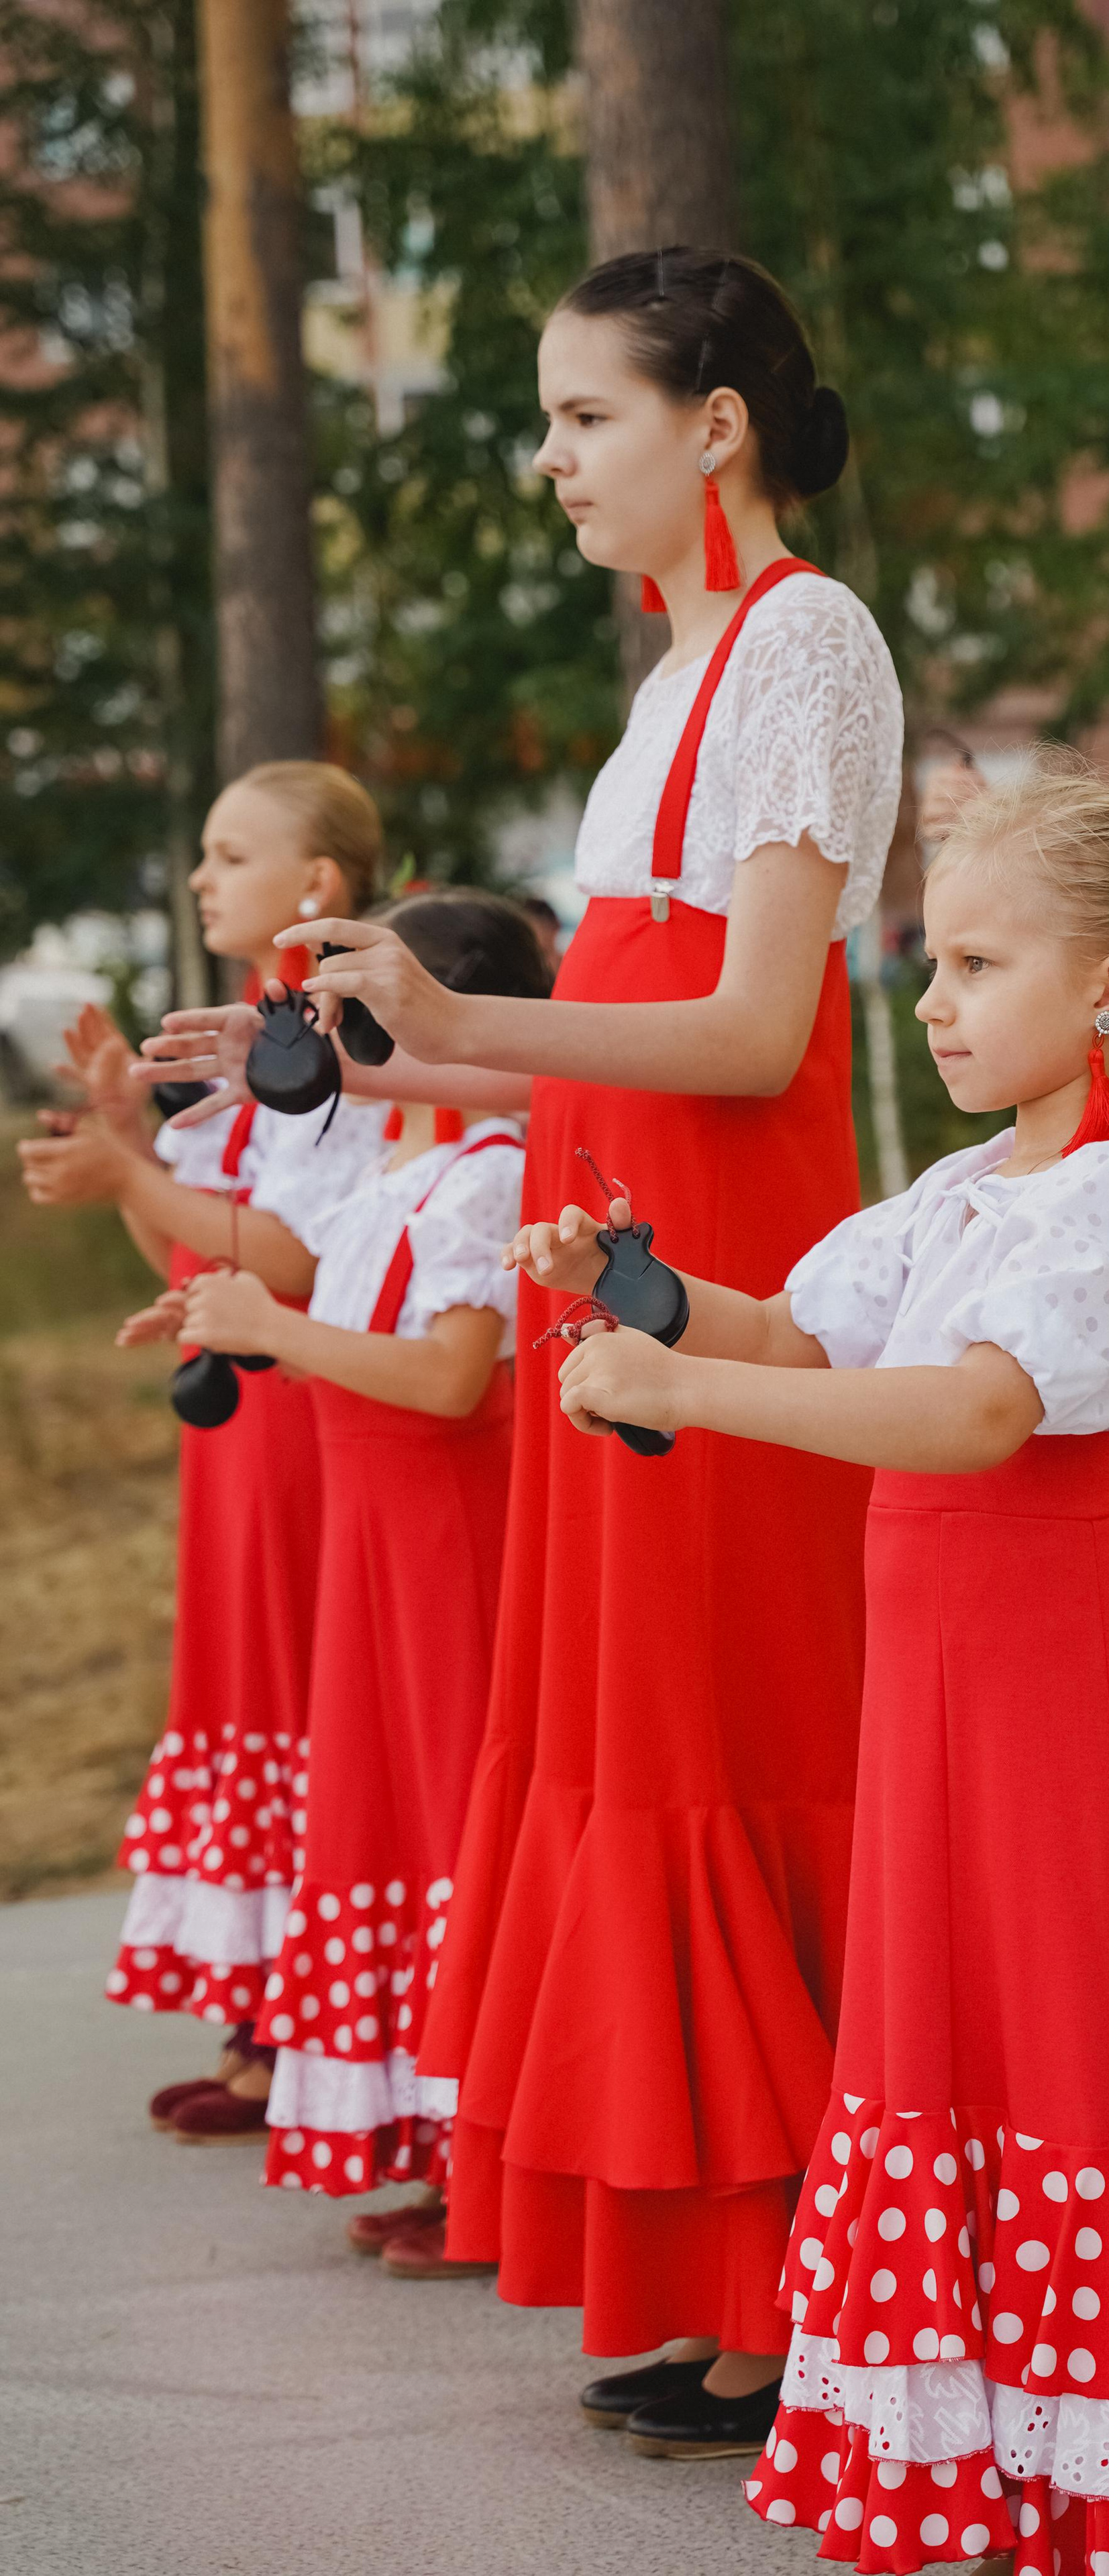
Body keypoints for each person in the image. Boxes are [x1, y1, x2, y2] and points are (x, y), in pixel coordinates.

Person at [195, 250, 905, 2443]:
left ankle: (805, 2292)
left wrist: (467, 1013)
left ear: (715, 423)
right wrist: (372, 1068)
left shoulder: (802, 642)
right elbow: (615, 1067)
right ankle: (720, 2276)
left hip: (716, 1271)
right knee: (636, 1736)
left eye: (584, 414)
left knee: (728, 1728)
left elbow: (761, 1037)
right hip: (620, 1242)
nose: (550, 457)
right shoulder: (681, 664)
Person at [530, 763, 1109, 2569]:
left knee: (1056, 2011)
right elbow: (797, 1325)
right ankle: (983, 2437)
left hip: (1060, 1698)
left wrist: (685, 1397)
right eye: (933, 963)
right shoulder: (972, 1188)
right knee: (943, 2018)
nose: (936, 1000)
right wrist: (637, 1290)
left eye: (976, 965)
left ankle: (1108, 2459)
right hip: (942, 1697)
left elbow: (976, 1414)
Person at [16, 765, 388, 2130]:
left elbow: (290, 1255)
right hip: (233, 1418)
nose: (199, 877)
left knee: (301, 1690)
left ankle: (305, 2026)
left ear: (316, 887)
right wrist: (128, 1150)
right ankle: (266, 2007)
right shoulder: (243, 1067)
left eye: (230, 853)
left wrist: (134, 1170)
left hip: (300, 1412)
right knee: (247, 1687)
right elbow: (191, 1243)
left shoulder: (339, 1047)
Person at [172, 892, 543, 2202]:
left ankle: (490, 2161)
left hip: (449, 1560)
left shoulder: (490, 1172)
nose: (321, 1032)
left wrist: (274, 1329)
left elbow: (447, 1380)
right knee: (388, 1831)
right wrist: (242, 1319)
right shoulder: (399, 1173)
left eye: (349, 1007)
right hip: (375, 1561)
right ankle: (431, 2140)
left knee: (451, 1832)